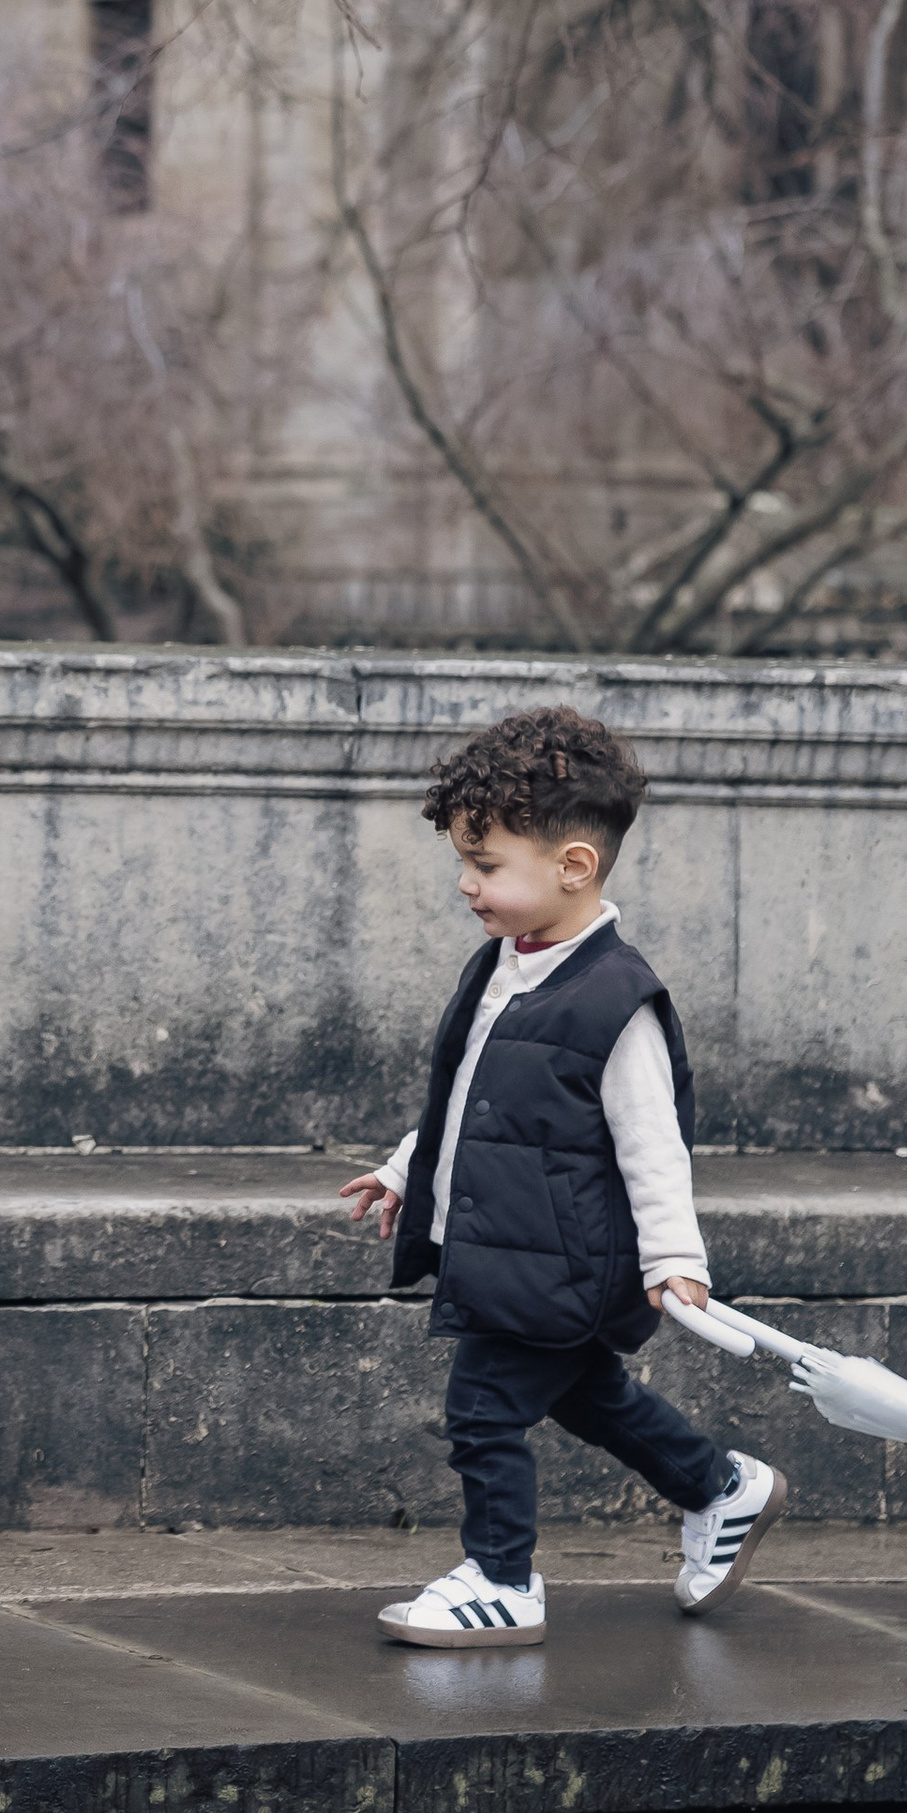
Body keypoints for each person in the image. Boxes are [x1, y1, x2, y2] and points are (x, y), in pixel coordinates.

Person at [338, 703, 784, 1645]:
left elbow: (654, 1144)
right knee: (589, 1395)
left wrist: (674, 1257)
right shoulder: (502, 965)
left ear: (573, 865)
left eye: (486, 864)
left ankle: (503, 1580)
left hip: (559, 1259)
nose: (466, 884)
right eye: (464, 862)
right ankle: (720, 1487)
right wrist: (407, 1168)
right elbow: (470, 1095)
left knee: (481, 1414)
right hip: (507, 1247)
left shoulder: (617, 1001)